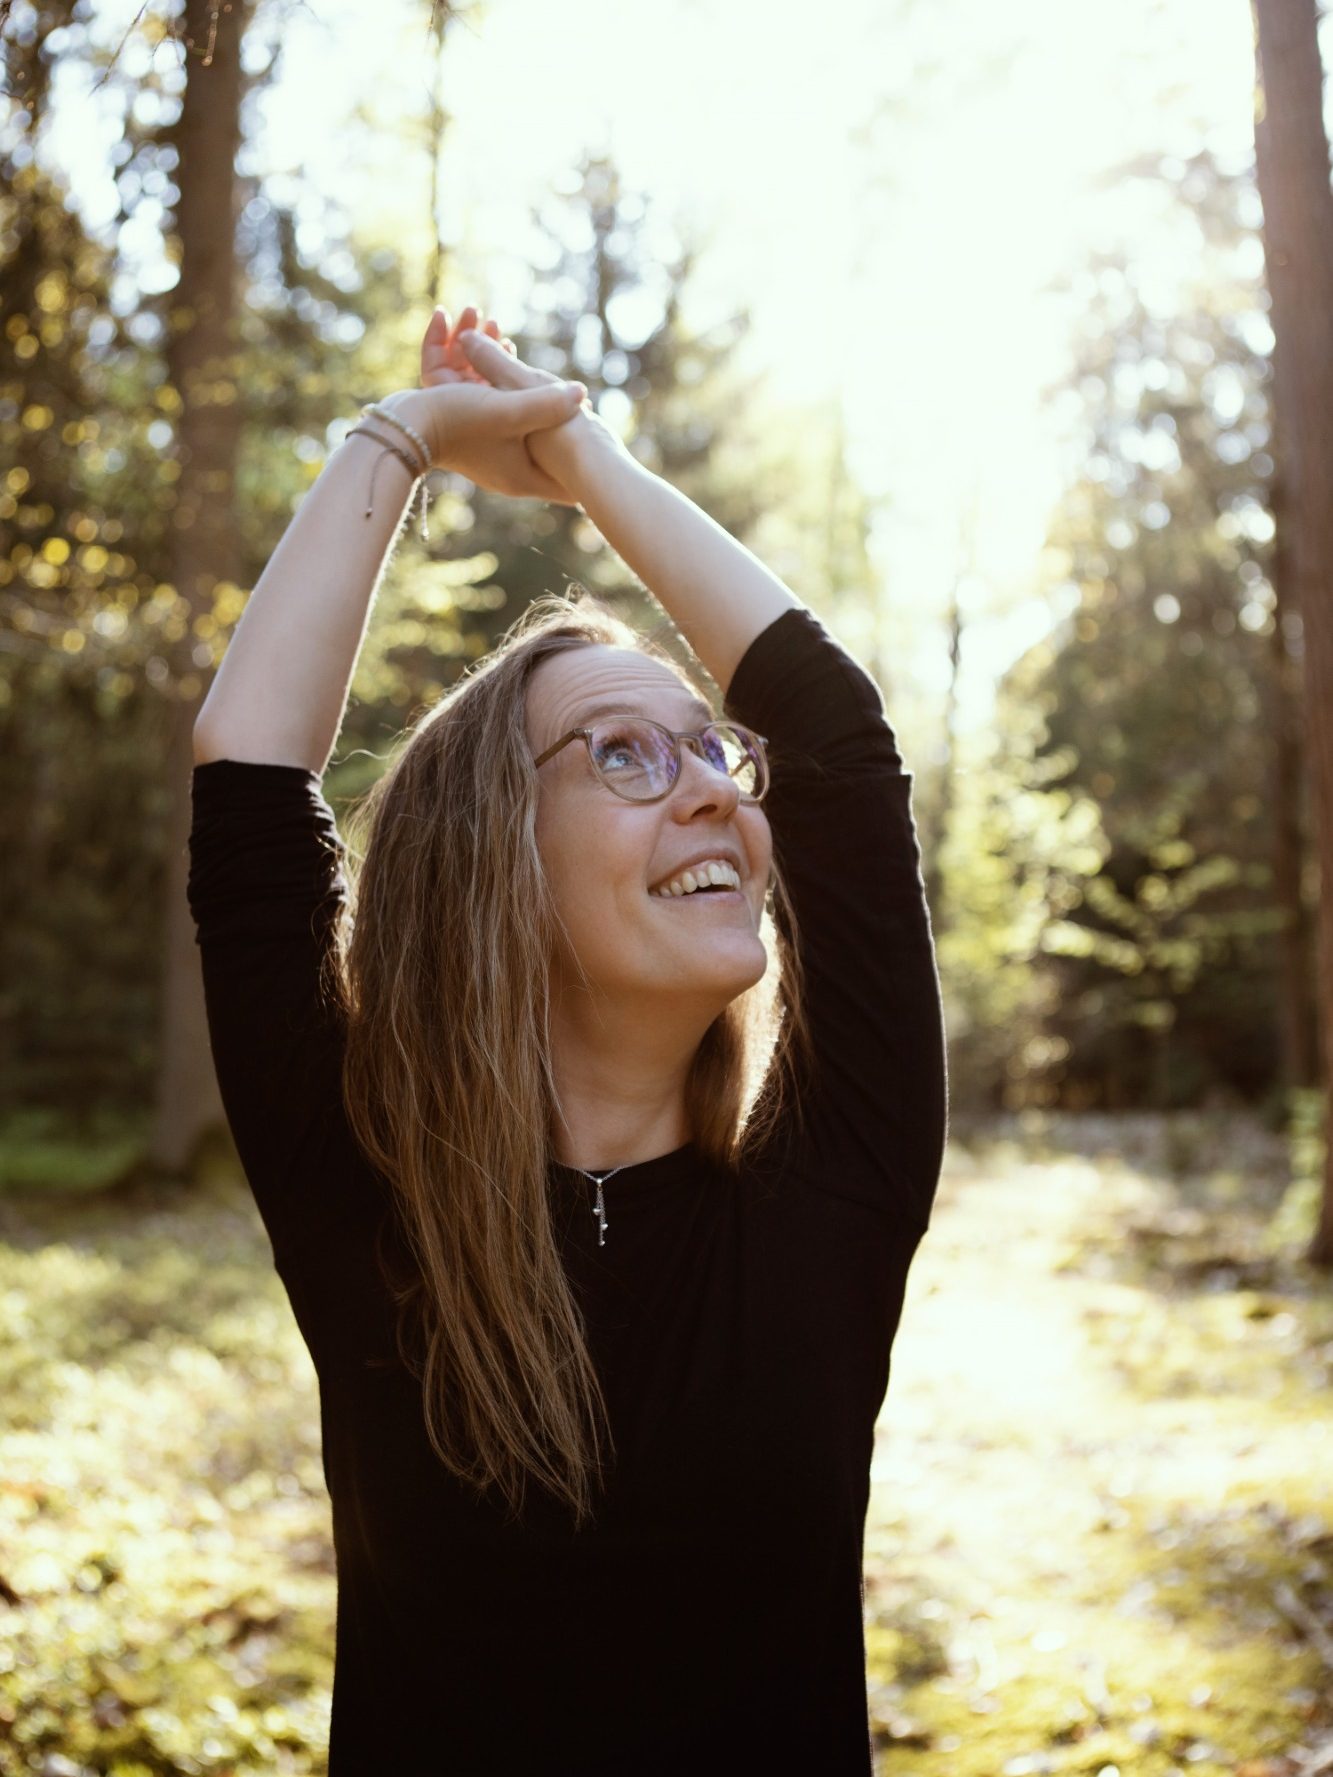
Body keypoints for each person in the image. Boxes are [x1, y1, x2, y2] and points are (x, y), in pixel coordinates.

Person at [187, 301, 949, 1774]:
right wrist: (400, 438)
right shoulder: (365, 1195)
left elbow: (838, 744)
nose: (718, 790)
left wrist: (580, 449)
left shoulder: (829, 1192)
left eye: (713, 750)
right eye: (623, 752)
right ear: (490, 862)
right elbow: (251, 773)